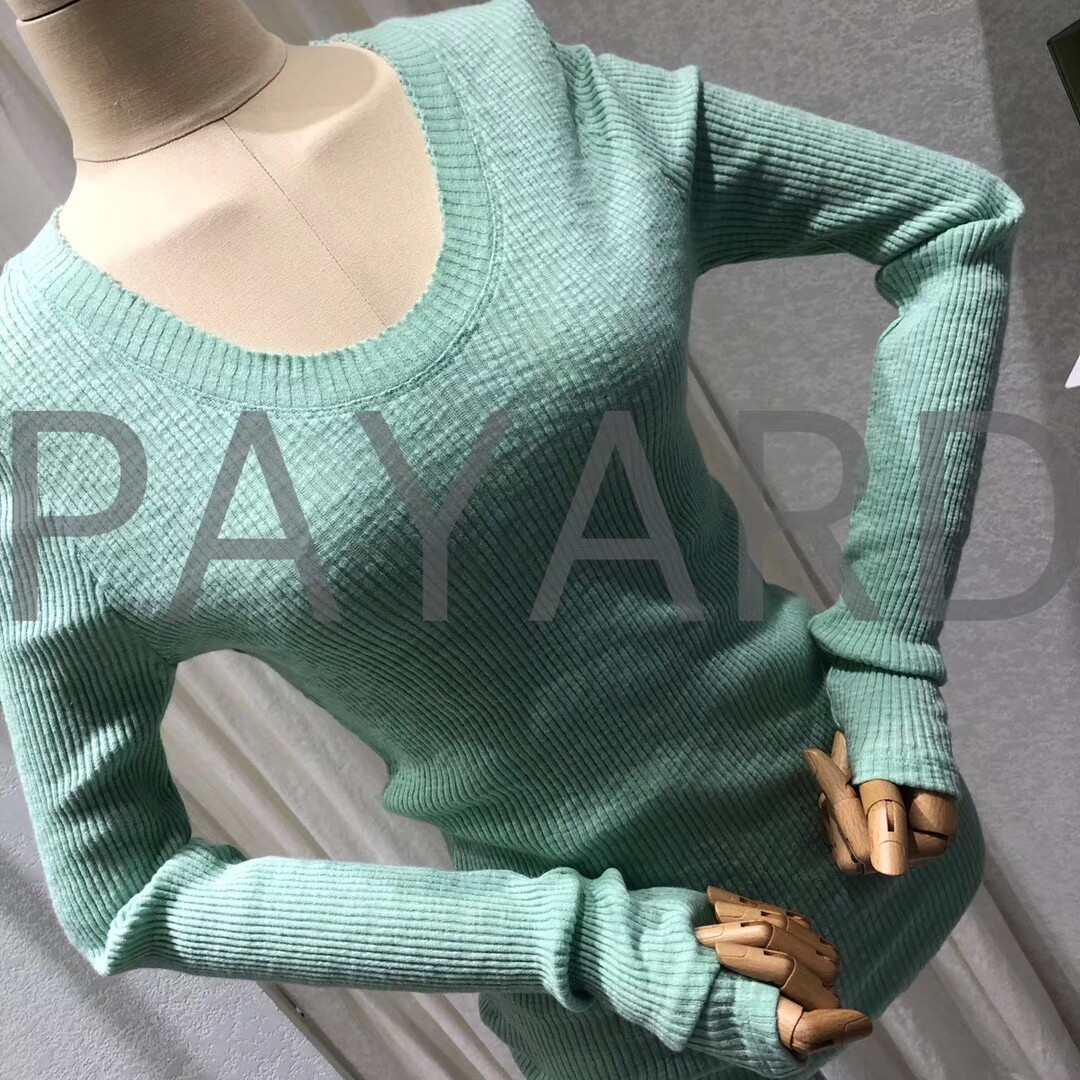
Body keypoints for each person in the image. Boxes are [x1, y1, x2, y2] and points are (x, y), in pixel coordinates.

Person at [0, 1, 1023, 1077]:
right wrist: (586, 940)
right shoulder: (33, 390)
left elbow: (950, 222)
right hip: (633, 1031)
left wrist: (889, 658)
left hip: (888, 825)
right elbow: (122, 890)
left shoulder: (507, 82)